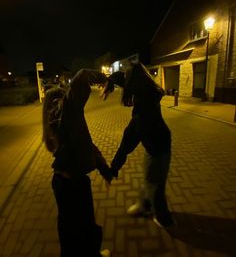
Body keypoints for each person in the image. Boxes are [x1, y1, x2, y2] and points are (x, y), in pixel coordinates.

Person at [42, 69, 113, 257]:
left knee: (70, 232)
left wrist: (105, 169)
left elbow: (87, 146)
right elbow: (82, 76)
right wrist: (106, 80)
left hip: (64, 182)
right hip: (73, 185)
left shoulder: (60, 125)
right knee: (83, 229)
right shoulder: (63, 116)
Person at [101, 62, 174, 228]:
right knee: (150, 177)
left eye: (127, 79)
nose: (124, 82)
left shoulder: (142, 114)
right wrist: (110, 80)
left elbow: (126, 144)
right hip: (157, 144)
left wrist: (113, 169)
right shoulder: (147, 91)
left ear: (134, 84)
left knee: (155, 185)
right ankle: (145, 205)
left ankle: (164, 219)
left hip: (158, 149)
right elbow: (123, 77)